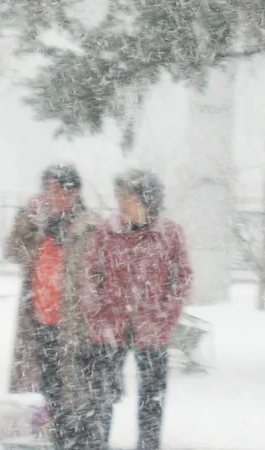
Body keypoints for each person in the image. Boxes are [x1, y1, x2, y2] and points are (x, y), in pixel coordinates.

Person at [79, 169, 193, 450]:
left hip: (152, 329)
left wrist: (166, 315)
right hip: (110, 327)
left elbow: (183, 277)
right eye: (120, 195)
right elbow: (91, 275)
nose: (121, 201)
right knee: (100, 397)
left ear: (147, 199)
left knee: (152, 398)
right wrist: (96, 314)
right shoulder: (107, 231)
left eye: (128, 196)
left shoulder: (170, 233)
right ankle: (96, 445)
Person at [4, 163, 101, 449]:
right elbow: (13, 252)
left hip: (76, 326)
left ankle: (79, 442)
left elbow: (101, 274)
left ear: (74, 193)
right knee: (52, 393)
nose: (50, 195)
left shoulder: (90, 226)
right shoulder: (40, 225)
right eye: (47, 189)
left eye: (57, 189)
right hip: (42, 323)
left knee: (79, 397)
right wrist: (27, 220)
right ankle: (60, 441)